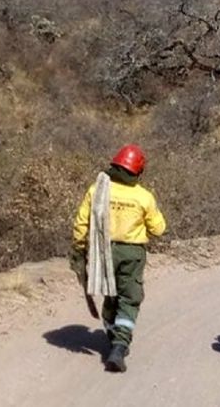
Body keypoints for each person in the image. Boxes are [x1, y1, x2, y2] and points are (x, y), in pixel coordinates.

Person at [71, 144, 166, 372]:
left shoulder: (97, 189)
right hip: (131, 254)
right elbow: (159, 229)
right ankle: (120, 345)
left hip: (102, 251)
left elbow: (81, 223)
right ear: (138, 171)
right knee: (129, 298)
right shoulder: (143, 196)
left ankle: (113, 334)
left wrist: (78, 250)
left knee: (110, 294)